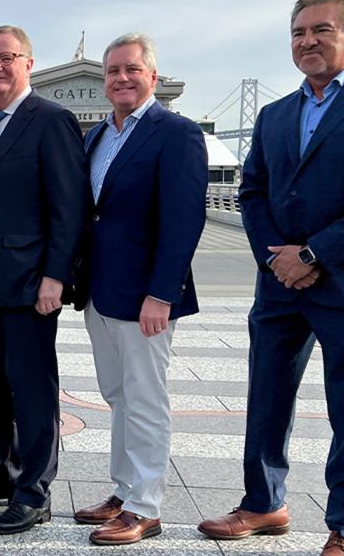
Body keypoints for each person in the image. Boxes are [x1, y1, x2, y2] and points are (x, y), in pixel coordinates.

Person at [199, 0, 344, 556]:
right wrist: (277, 258)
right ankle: (263, 503)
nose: (307, 42)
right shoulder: (276, 115)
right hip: (278, 285)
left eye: (321, 30)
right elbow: (252, 192)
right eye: (298, 33)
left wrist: (314, 255)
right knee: (266, 397)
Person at [72, 34, 207, 545]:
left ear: (152, 75)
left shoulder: (175, 133)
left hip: (146, 296)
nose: (120, 79)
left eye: (131, 69)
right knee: (118, 394)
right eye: (112, 71)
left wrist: (162, 293)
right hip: (101, 288)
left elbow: (183, 219)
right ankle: (124, 491)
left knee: (146, 397)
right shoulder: (97, 137)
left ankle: (145, 507)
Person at [0, 25, 88, 534]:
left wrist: (57, 276)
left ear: (28, 63)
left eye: (6, 58)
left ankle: (34, 489)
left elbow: (69, 206)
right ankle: (5, 472)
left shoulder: (51, 121)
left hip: (32, 282)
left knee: (32, 389)